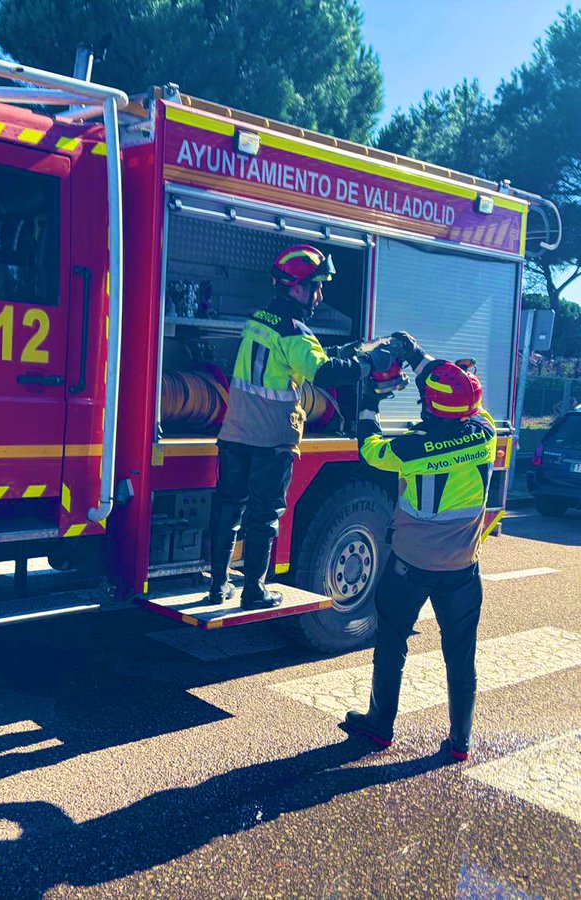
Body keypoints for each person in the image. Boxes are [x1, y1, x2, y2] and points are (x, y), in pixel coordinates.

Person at [209, 244, 397, 609]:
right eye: (315, 286)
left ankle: (218, 585)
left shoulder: (260, 319)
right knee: (264, 516)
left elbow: (310, 357)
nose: (320, 294)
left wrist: (353, 349)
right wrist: (369, 363)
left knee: (228, 508)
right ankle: (253, 591)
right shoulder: (296, 331)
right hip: (272, 440)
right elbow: (323, 373)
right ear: (296, 287)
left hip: (235, 433)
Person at [341, 344, 496, 762]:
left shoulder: (410, 448)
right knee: (461, 656)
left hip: (409, 567)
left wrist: (370, 402)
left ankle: (379, 726)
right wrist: (420, 356)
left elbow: (370, 448)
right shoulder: (486, 431)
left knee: (392, 644)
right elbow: (460, 397)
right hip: (463, 570)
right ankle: (460, 743)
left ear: (429, 406)